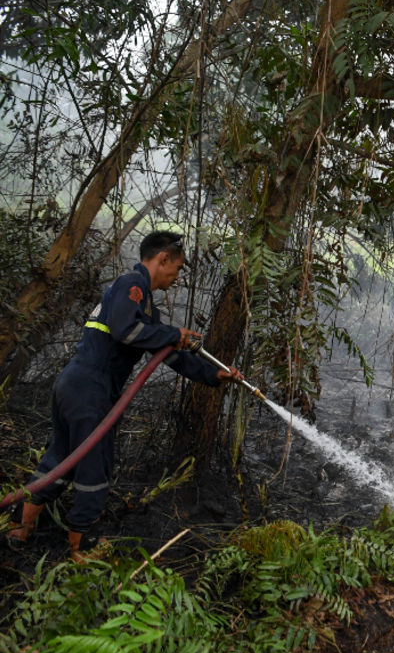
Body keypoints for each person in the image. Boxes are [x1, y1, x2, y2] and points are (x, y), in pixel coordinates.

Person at [6, 231, 242, 561]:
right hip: (91, 388)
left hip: (74, 385)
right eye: (176, 268)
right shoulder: (132, 286)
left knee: (62, 457)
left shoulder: (141, 305)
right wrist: (175, 333)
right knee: (93, 465)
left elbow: (167, 353)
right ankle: (81, 544)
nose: (175, 278)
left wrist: (214, 374)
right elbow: (125, 331)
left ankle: (19, 525)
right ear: (162, 259)